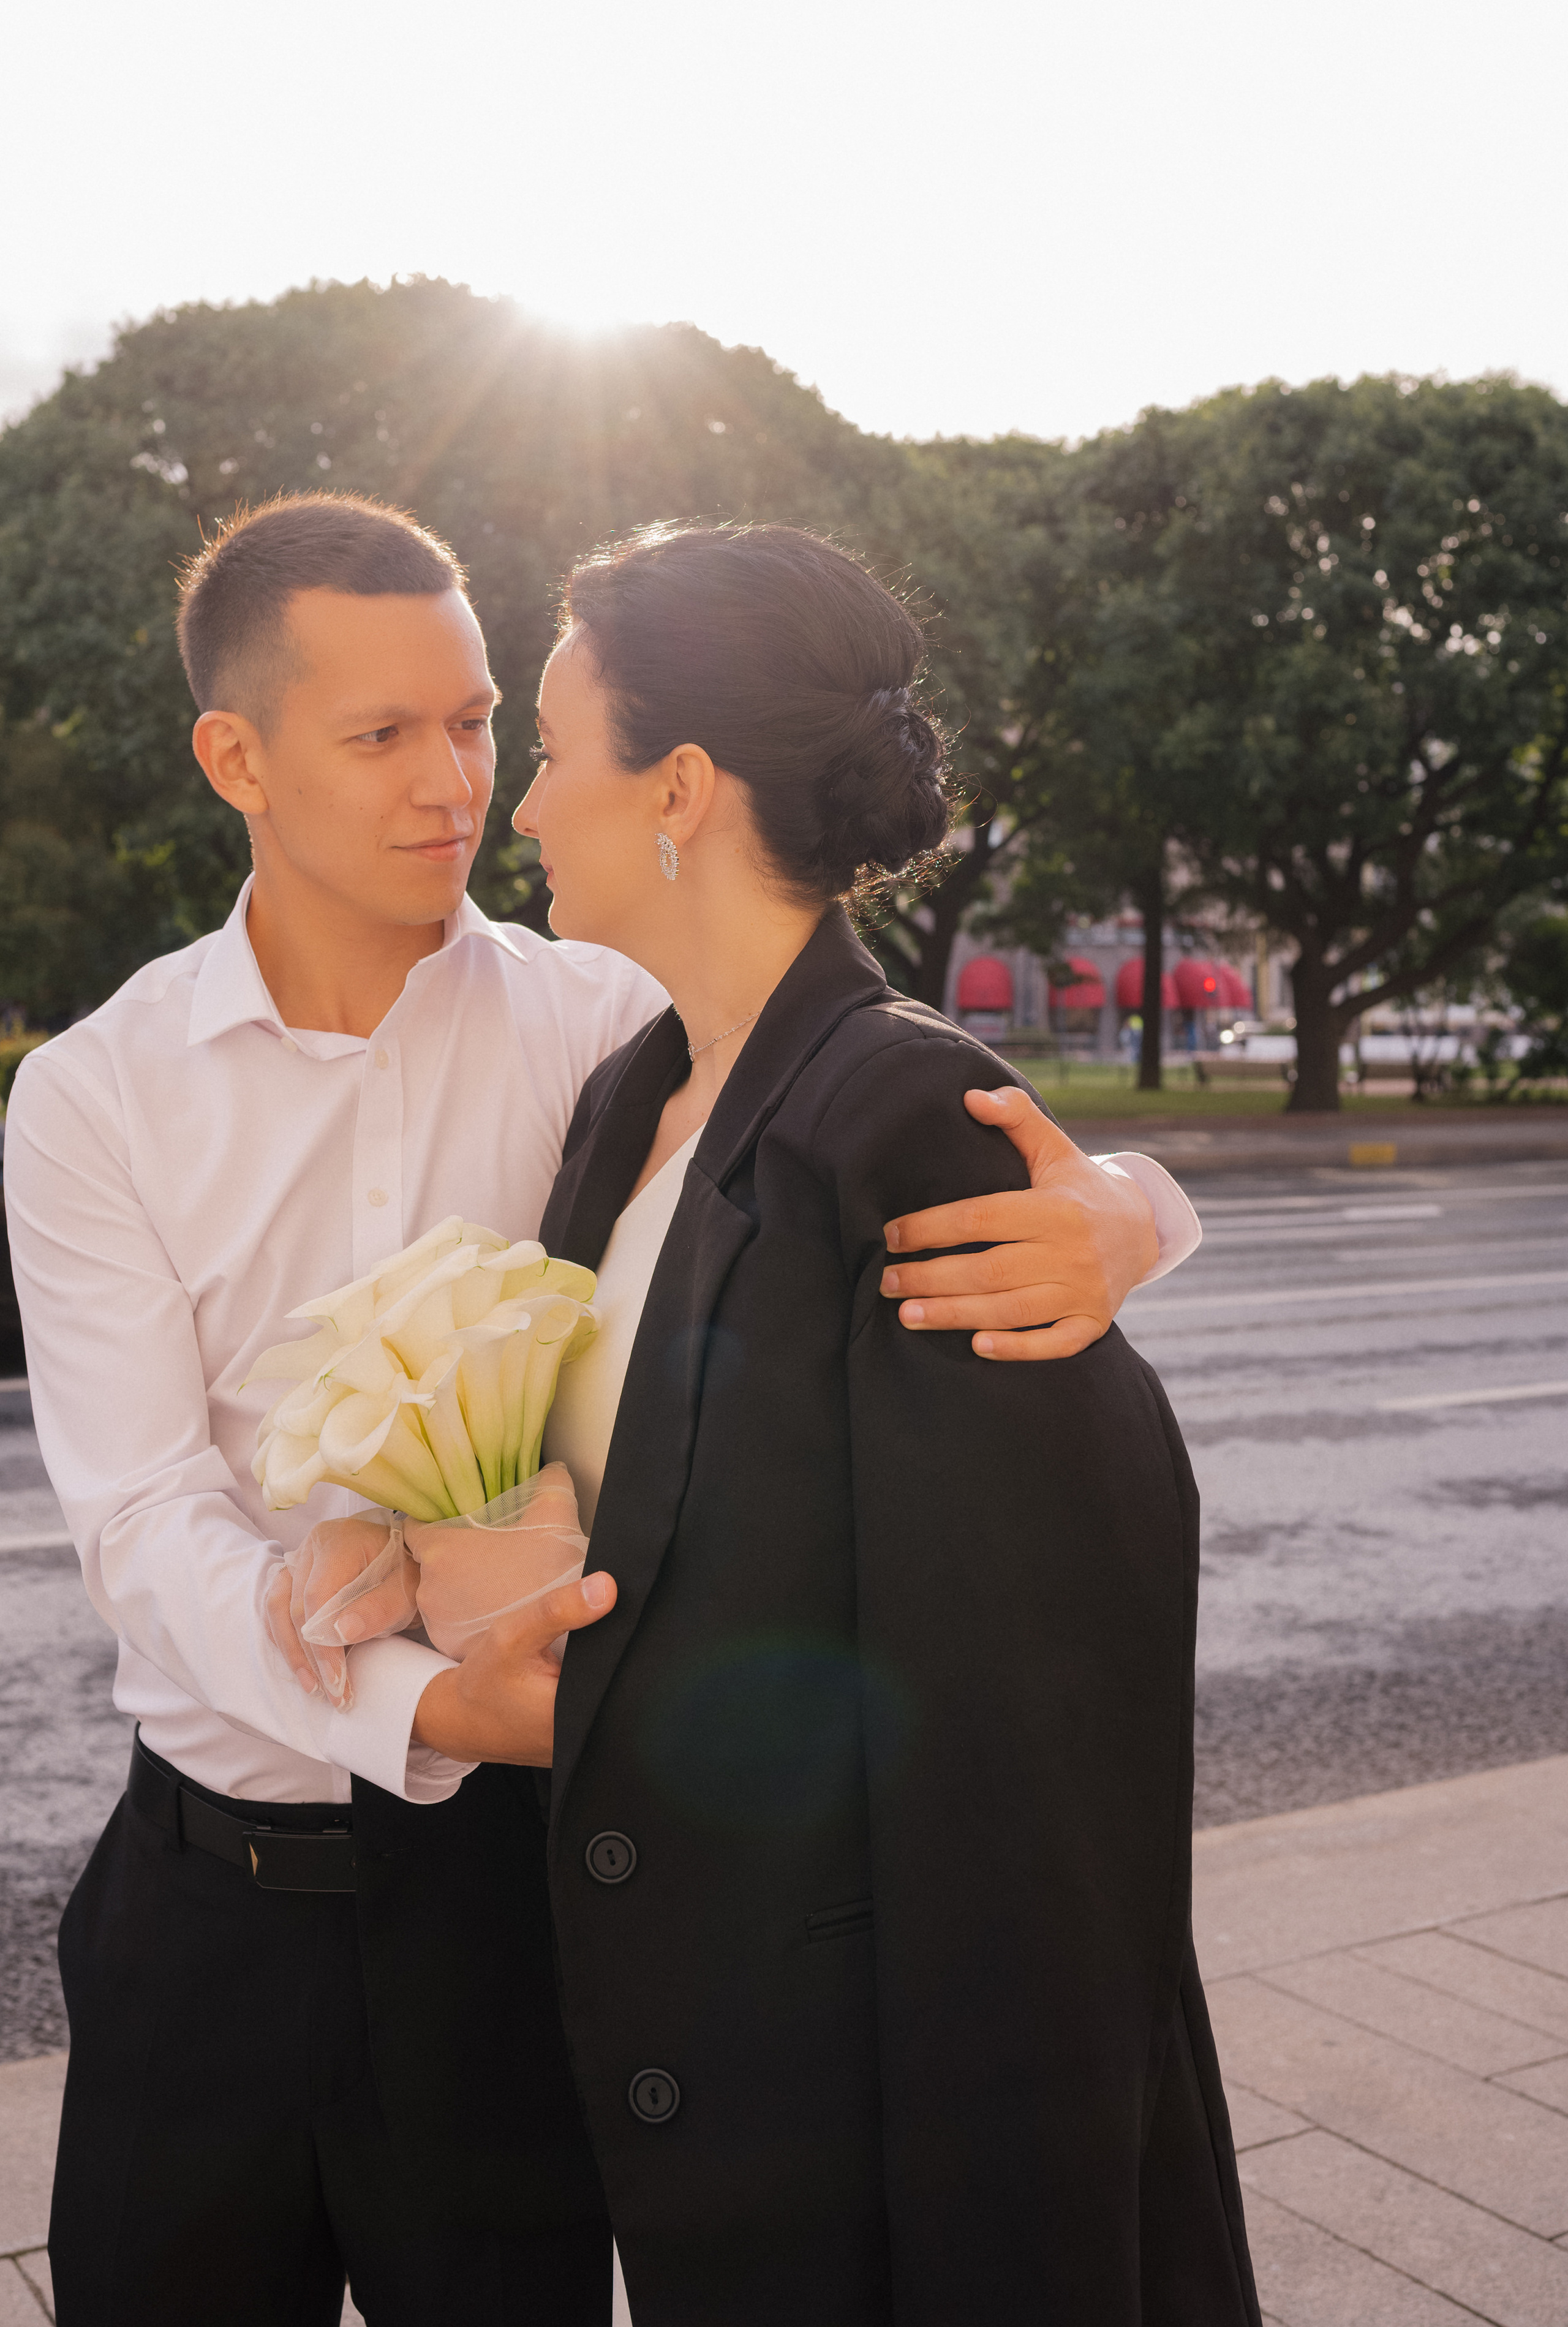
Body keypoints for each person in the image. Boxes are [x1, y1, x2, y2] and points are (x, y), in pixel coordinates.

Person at [1, 493, 1202, 2325]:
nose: (459, 784)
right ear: (235, 759)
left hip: (514, 1891)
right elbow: (144, 1517)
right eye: (382, 734)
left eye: (485, 721)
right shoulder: (98, 1094)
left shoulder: (606, 1014)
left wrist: (1127, 1212)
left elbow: (858, 1088)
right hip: (210, 1896)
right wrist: (420, 1702)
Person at [516, 523, 1258, 2324]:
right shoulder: (632, 1097)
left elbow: (1033, 1756)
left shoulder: (903, 1118)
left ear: (678, 788)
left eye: (546, 750)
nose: (519, 806)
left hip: (870, 2122)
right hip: (706, 2065)